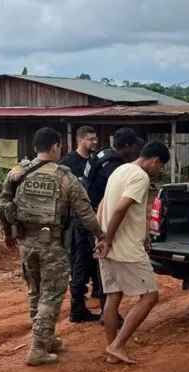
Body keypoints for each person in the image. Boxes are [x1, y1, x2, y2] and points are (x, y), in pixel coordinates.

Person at [0, 127, 108, 366]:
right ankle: (38, 348)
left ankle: (45, 338)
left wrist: (8, 233)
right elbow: (85, 213)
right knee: (52, 294)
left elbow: (2, 206)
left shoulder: (17, 173)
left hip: (26, 243)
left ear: (35, 147)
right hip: (53, 244)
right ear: (56, 146)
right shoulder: (65, 177)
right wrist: (101, 235)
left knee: (35, 291)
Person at [96, 141, 170, 364]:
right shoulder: (140, 177)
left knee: (113, 296)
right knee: (150, 296)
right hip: (126, 248)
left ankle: (112, 350)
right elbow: (121, 208)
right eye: (160, 166)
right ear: (155, 161)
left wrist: (100, 238)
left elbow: (102, 206)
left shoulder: (120, 170)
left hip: (107, 246)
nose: (158, 171)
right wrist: (108, 239)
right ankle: (117, 345)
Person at [83, 127, 144, 327]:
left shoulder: (102, 154)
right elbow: (117, 204)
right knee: (102, 265)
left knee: (88, 263)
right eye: (134, 146)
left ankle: (83, 307)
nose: (136, 151)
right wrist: (106, 236)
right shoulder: (114, 166)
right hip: (96, 216)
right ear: (126, 147)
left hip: (88, 213)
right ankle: (105, 311)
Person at [61, 126, 101, 323]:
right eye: (90, 139)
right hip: (77, 221)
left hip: (95, 217)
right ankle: (77, 308)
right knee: (79, 262)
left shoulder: (95, 161)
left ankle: (99, 297)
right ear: (80, 140)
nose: (94, 142)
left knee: (96, 260)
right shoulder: (67, 162)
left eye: (95, 138)